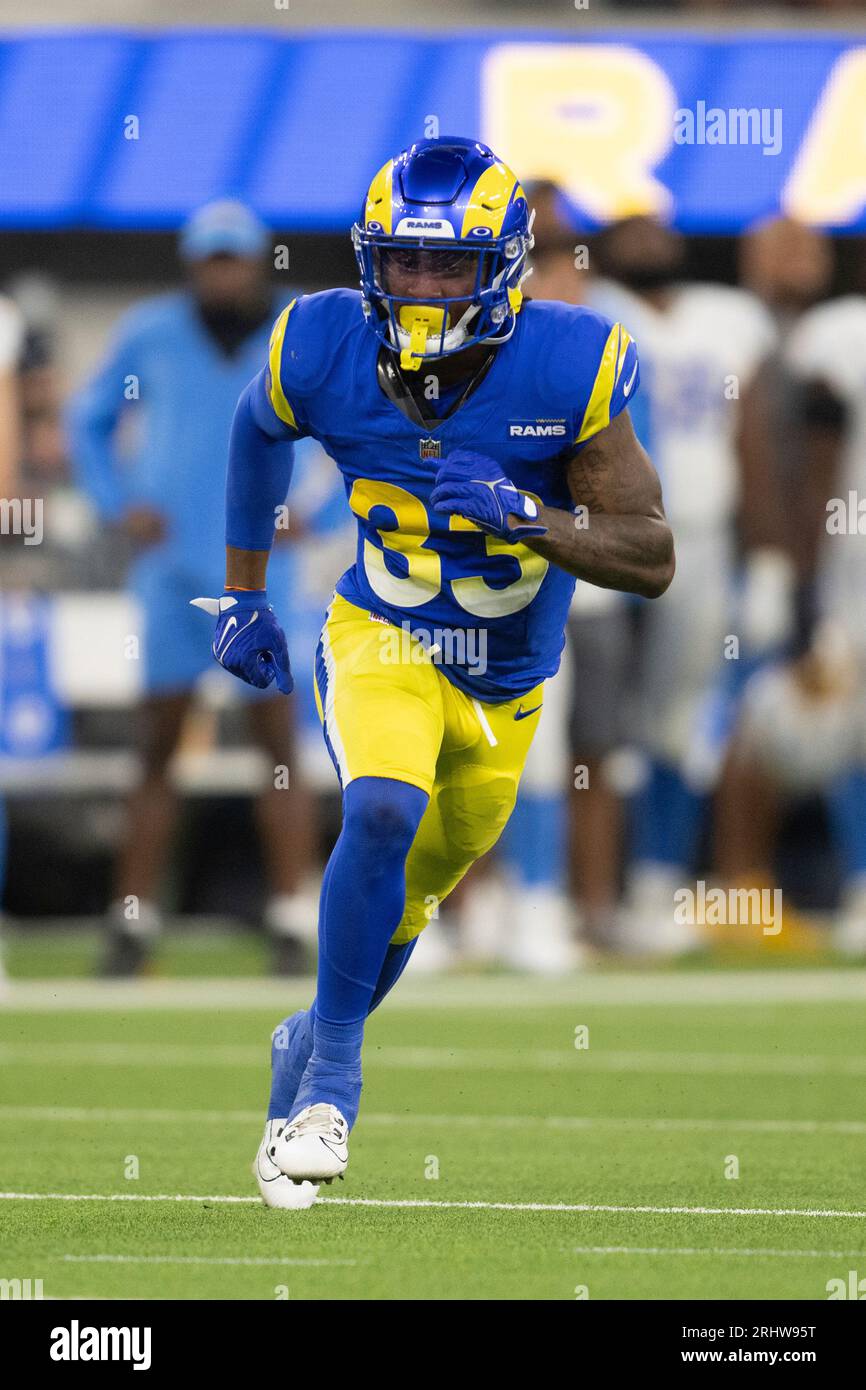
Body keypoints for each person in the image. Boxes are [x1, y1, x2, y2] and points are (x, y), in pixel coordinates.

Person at [194, 137, 674, 1206]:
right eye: (401, 260)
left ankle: (309, 1036)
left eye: (445, 264)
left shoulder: (569, 363)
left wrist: (531, 518)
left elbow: (651, 556)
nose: (418, 283)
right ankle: (331, 1086)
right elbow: (254, 429)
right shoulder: (319, 339)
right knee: (377, 810)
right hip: (383, 636)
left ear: (499, 263)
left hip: (506, 682)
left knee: (407, 905)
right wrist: (242, 592)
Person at [67, 200, 317, 977]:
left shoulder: (299, 328)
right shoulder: (150, 330)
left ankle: (290, 915)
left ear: (257, 260)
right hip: (175, 570)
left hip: (265, 576)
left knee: (279, 751)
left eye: (234, 258)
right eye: (211, 260)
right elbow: (89, 420)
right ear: (191, 265)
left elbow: (362, 429)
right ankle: (134, 921)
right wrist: (117, 503)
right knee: (158, 748)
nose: (224, 273)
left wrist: (323, 509)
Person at [589, 215, 789, 953]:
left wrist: (765, 556)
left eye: (658, 227)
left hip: (703, 540)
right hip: (607, 537)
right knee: (595, 723)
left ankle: (654, 886)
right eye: (631, 229)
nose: (650, 239)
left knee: (680, 721)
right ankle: (572, 898)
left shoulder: (726, 318)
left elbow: (754, 439)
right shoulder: (592, 309)